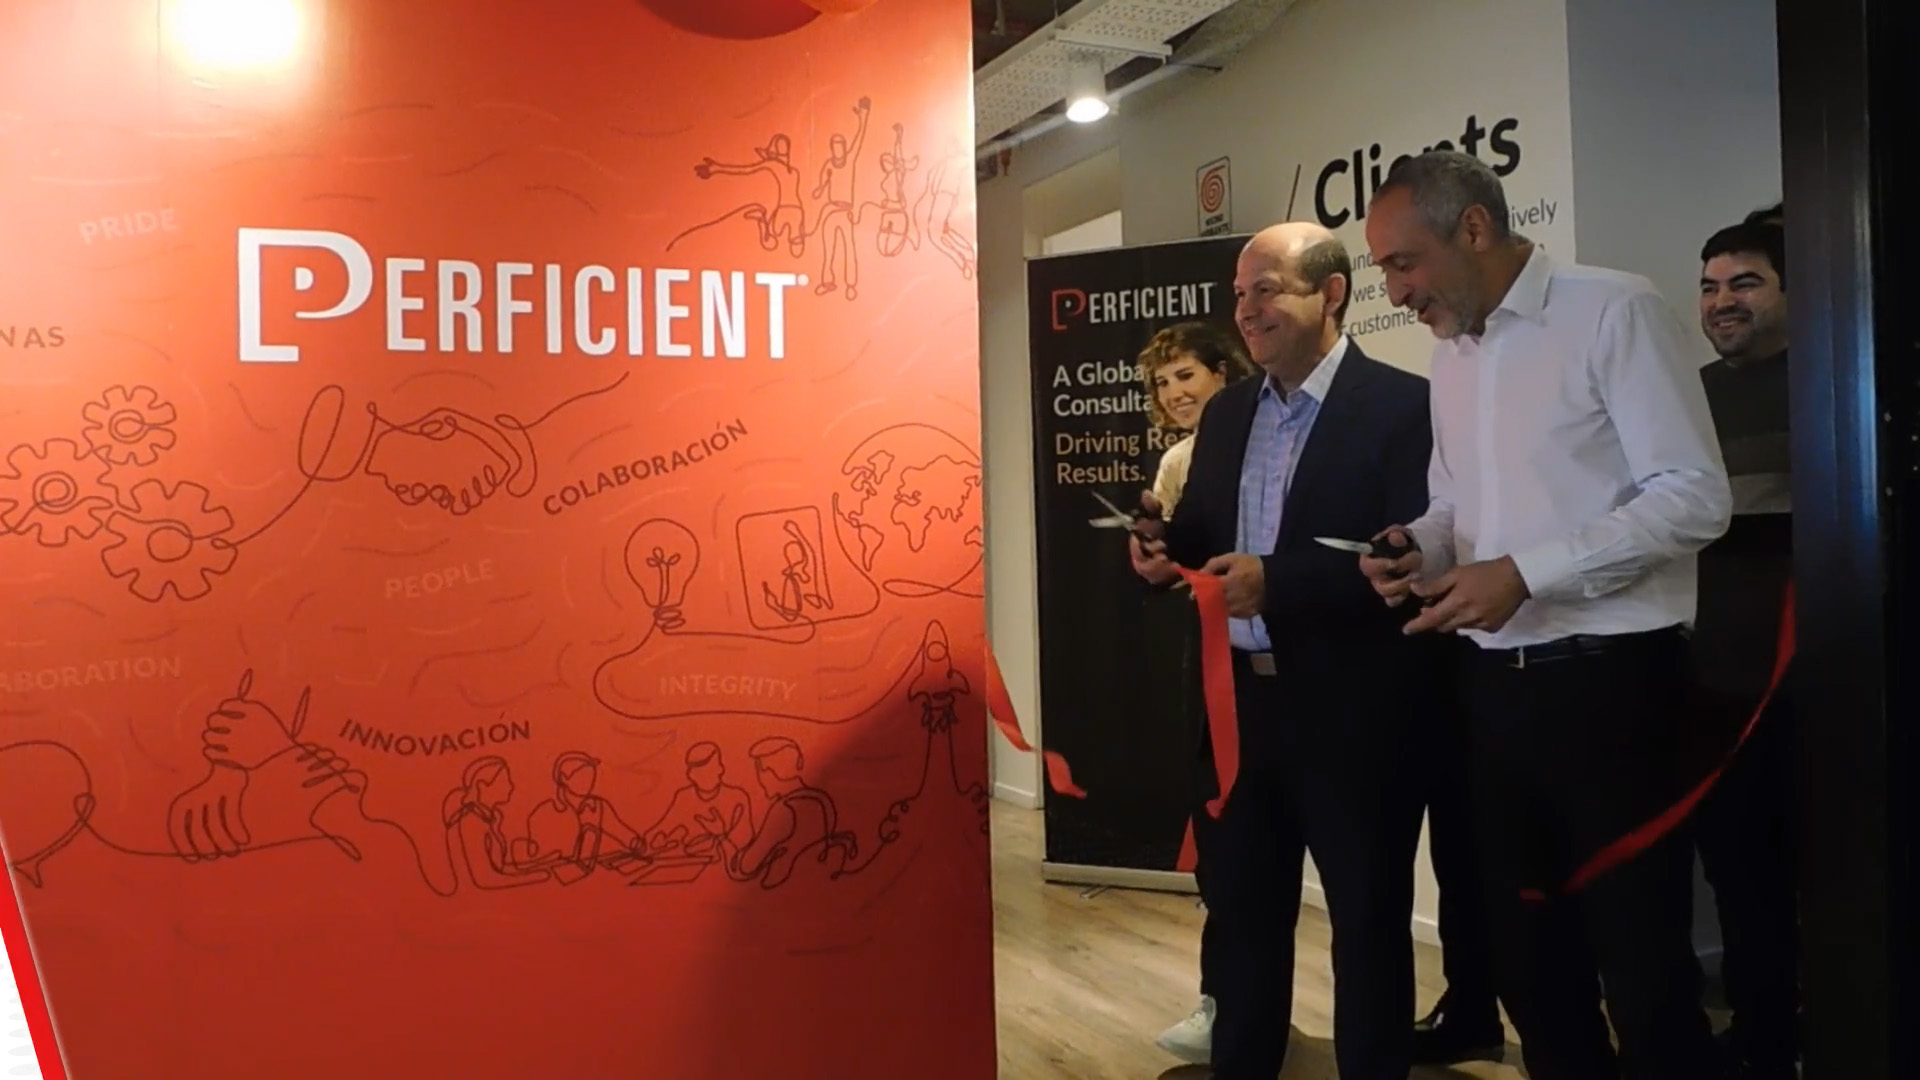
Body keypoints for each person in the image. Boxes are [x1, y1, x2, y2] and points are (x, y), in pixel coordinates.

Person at [1358, 150, 1732, 1080]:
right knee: (1530, 964)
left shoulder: (1614, 310)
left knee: (1642, 965)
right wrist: (1416, 549)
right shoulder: (1452, 354)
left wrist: (1528, 574)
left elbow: (1694, 496)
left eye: (1403, 263)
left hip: (1617, 688)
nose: (1395, 292)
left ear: (1474, 227)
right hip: (1492, 692)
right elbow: (1454, 508)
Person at [1130, 221, 1434, 1080]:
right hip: (1239, 714)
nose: (1246, 311)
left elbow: (1411, 559)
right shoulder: (1230, 414)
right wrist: (1161, 553)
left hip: (1355, 713)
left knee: (1367, 927)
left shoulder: (1404, 406)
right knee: (1243, 922)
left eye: (1266, 290)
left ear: (1331, 293)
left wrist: (1282, 583)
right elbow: (1204, 535)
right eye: (1239, 294)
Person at [1132, 319, 1255, 1065]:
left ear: (1222, 373)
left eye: (1186, 375)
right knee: (1223, 838)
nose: (1175, 392)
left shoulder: (1264, 439)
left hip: (1288, 659)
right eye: (1163, 381)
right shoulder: (1177, 462)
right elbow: (1181, 564)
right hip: (1213, 658)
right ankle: (1226, 1006)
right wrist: (1158, 558)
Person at [1694, 218, 1799, 1079]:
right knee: (1738, 870)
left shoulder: (1837, 381)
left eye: (1745, 282)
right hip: (1713, 682)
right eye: (1710, 286)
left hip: (1819, 680)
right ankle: (1761, 1038)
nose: (1722, 301)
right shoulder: (1683, 399)